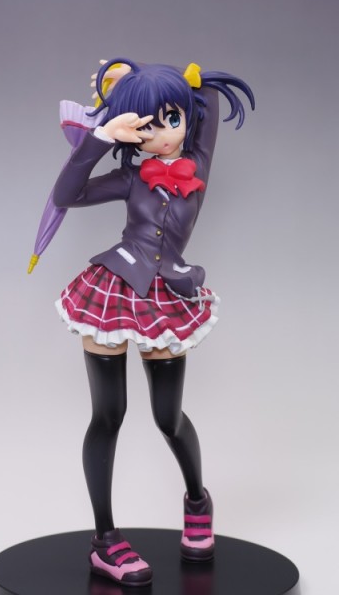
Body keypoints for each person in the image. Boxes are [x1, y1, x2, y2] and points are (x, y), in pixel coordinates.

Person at [31, 58, 254, 587]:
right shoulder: (131, 176)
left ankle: (197, 500)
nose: (163, 133)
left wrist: (135, 79)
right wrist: (101, 135)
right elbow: (66, 196)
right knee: (108, 415)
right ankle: (104, 540)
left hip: (168, 295)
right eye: (148, 125)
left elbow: (203, 99)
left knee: (168, 417)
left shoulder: (198, 164)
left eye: (171, 119)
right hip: (112, 291)